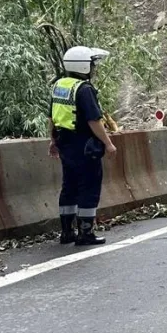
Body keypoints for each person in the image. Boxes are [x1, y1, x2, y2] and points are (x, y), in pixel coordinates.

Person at [49, 46, 117, 246]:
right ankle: (85, 233)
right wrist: (108, 143)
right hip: (84, 144)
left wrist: (53, 141)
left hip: (65, 143)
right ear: (83, 66)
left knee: (69, 186)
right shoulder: (84, 89)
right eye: (92, 64)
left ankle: (67, 232)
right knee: (89, 186)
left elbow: (51, 117)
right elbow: (94, 121)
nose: (94, 68)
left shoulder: (59, 85)